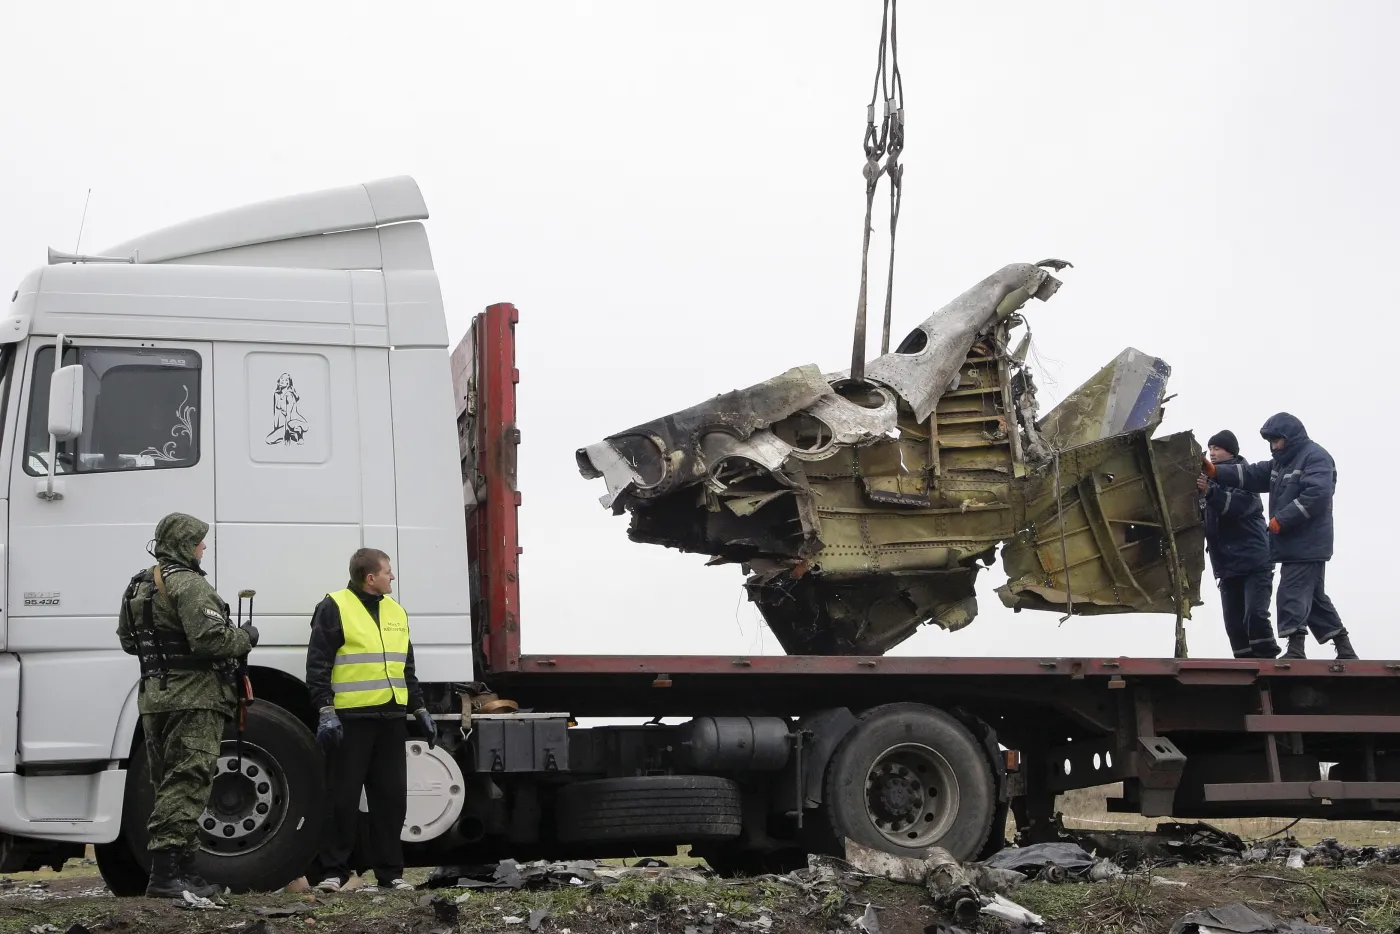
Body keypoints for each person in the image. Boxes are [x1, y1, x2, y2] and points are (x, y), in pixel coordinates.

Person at [116, 513, 258, 898]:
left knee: (170, 783)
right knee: (188, 782)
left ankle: (186, 871)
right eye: (199, 541)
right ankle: (165, 878)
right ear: (183, 544)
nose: (203, 547)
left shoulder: (138, 586)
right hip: (194, 697)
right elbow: (210, 641)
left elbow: (129, 641)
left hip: (154, 697)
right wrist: (244, 637)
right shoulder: (190, 584)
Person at [306, 548, 437, 893]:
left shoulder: (396, 611)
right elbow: (318, 665)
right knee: (342, 800)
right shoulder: (334, 607)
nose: (392, 577)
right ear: (370, 578)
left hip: (391, 719)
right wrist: (325, 711)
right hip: (351, 720)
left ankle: (390, 874)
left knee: (391, 800)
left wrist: (420, 709)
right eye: (387, 572)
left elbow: (405, 666)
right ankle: (334, 872)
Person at [1202, 413, 1356, 660]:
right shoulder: (1279, 464)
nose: (1274, 446)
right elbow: (1250, 474)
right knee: (1314, 599)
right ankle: (1345, 648)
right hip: (1294, 544)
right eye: (1270, 442)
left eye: (1277, 441)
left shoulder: (1315, 457)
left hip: (1308, 543)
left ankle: (1295, 650)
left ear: (1290, 437)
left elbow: (1317, 495)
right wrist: (1216, 473)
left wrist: (1281, 520)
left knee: (1291, 593)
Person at [1196, 430, 1278, 659]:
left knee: (1254, 615)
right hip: (1226, 563)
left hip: (1254, 561)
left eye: (1217, 448)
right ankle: (1245, 665)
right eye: (1210, 448)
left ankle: (1268, 661)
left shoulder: (1246, 476)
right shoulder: (1205, 481)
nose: (1212, 453)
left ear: (1230, 451)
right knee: (1233, 623)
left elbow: (1237, 507)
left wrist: (1210, 492)